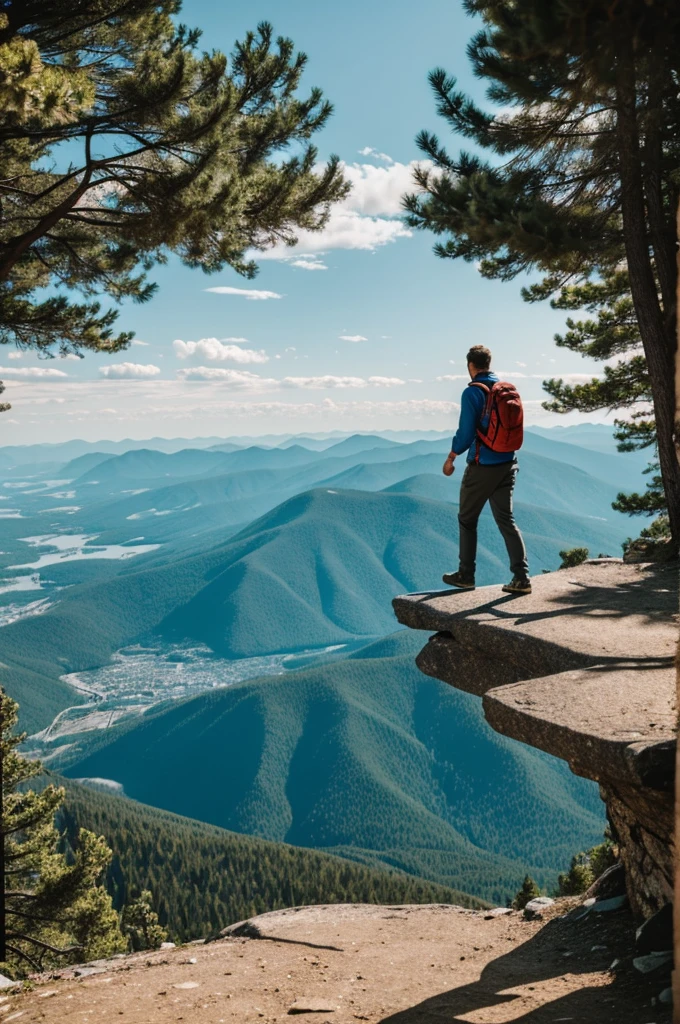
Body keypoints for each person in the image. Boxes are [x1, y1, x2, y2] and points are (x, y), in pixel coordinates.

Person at [441, 345, 531, 594]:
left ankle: (465, 575)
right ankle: (522, 578)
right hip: (508, 463)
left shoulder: (473, 392)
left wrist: (451, 456)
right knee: (506, 520)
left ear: (470, 366)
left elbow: (466, 433)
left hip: (483, 466)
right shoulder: (504, 390)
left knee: (467, 519)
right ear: (488, 364)